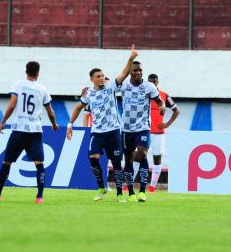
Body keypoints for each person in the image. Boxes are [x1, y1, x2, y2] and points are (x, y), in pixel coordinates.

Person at [66, 45, 138, 203]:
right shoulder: (88, 94)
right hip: (97, 132)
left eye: (103, 76)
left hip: (113, 131)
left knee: (116, 163)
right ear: (92, 79)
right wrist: (70, 125)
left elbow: (124, 73)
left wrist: (130, 59)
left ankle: (119, 193)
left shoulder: (110, 87)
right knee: (93, 158)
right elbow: (78, 107)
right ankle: (101, 187)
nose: (101, 78)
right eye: (98, 76)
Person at [0, 61, 58, 204]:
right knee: (39, 163)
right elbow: (51, 112)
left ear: (26, 71)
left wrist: (3, 121)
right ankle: (39, 197)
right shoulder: (43, 89)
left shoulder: (18, 85)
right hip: (35, 131)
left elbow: (12, 104)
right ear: (38, 73)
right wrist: (54, 124)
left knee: (7, 161)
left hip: (19, 129)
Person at [119, 62, 165, 202]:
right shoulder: (123, 85)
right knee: (129, 159)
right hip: (126, 128)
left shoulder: (149, 86)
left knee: (142, 154)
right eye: (136, 71)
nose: (139, 73)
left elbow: (159, 101)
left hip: (143, 127)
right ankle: (131, 191)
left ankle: (143, 191)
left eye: (141, 70)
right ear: (130, 72)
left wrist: (162, 107)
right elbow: (106, 88)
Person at [131, 74, 180, 193]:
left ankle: (152, 187)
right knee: (137, 157)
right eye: (150, 82)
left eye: (154, 81)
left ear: (158, 82)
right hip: (143, 130)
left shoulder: (164, 95)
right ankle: (129, 184)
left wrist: (167, 124)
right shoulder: (142, 94)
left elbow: (176, 111)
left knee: (157, 158)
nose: (152, 83)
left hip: (158, 133)